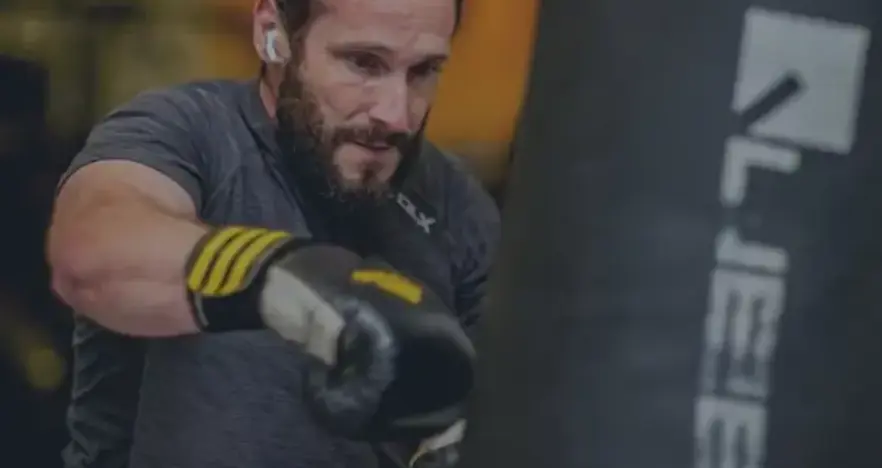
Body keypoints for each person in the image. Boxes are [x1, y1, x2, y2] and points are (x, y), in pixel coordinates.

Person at [46, 0, 500, 467]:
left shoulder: (454, 208)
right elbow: (89, 254)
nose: (396, 114)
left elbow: (514, 400)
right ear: (273, 33)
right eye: (364, 63)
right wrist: (290, 280)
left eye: (423, 71)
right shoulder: (188, 131)